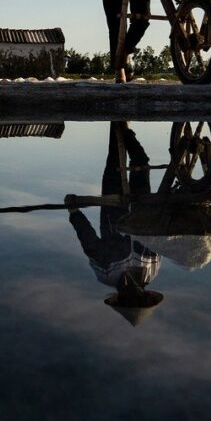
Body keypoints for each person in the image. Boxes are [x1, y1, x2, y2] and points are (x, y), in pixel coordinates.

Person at [68, 121, 163, 325]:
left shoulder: (107, 273)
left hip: (113, 210)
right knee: (140, 161)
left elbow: (89, 241)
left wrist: (74, 212)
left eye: (130, 299)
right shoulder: (153, 270)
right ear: (146, 295)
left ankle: (116, 121)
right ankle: (125, 129)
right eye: (140, 298)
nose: (134, 294)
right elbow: (159, 237)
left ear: (120, 298)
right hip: (142, 205)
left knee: (114, 161)